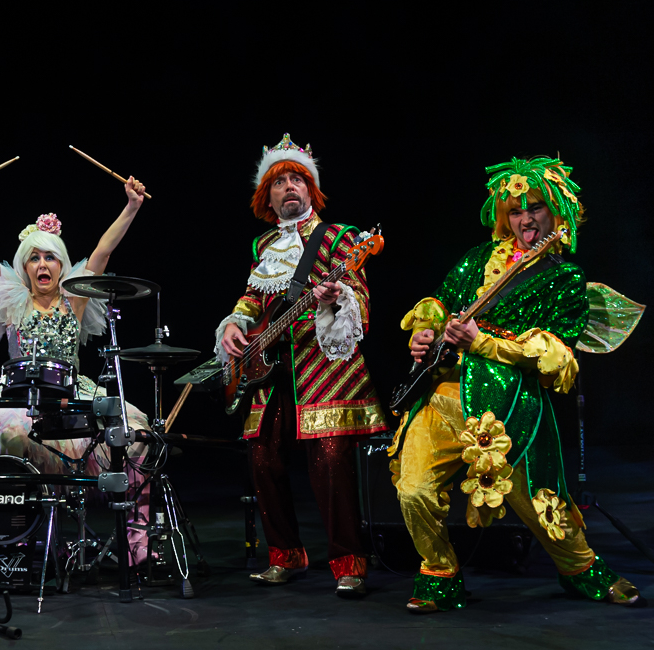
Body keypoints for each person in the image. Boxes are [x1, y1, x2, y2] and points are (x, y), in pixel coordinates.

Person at [391, 156, 641, 612]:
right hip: (443, 395)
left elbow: (557, 357)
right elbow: (441, 307)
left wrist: (483, 342)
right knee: (413, 489)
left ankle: (581, 569)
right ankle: (441, 573)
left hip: (510, 410)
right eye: (516, 210)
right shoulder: (476, 260)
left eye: (535, 208)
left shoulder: (564, 280)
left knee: (543, 507)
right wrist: (424, 333)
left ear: (557, 212)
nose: (525, 218)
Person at [0, 175, 152, 562]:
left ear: (61, 265)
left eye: (50, 256)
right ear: (24, 267)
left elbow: (103, 251)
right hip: (23, 398)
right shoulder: (11, 301)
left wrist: (132, 206)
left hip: (72, 393)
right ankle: (20, 540)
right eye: (34, 257)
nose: (42, 264)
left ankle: (137, 546)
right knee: (12, 436)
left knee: (134, 434)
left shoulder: (75, 298)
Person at [217, 134, 389, 595]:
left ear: (311, 190)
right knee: (262, 457)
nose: (290, 186)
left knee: (330, 462)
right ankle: (285, 555)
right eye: (280, 182)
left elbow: (361, 300)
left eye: (298, 179)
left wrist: (337, 299)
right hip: (269, 368)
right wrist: (236, 324)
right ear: (267, 196)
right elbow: (255, 297)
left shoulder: (342, 239)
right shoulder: (262, 247)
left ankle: (349, 563)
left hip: (324, 366)